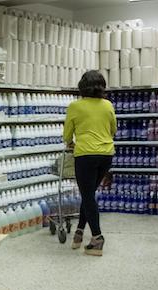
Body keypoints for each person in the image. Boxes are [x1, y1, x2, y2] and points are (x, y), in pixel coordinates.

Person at [63, 70, 116, 256]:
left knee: (87, 196)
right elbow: (113, 130)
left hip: (85, 155)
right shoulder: (108, 105)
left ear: (82, 86)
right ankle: (79, 232)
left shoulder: (75, 106)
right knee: (89, 194)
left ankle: (97, 238)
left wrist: (71, 143)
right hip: (106, 155)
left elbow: (67, 135)